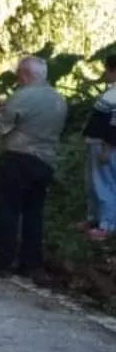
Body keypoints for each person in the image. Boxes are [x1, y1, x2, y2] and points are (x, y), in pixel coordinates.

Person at [0, 56, 68, 282]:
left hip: (19, 158)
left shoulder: (24, 96)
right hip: (46, 161)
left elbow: (2, 126)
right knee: (33, 214)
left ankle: (2, 262)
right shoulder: (59, 100)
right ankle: (31, 264)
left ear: (26, 75)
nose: (18, 80)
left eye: (19, 75)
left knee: (6, 211)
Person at [81, 54, 116, 241]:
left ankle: (107, 224)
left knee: (106, 184)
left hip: (105, 145)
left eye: (108, 69)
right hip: (97, 143)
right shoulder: (111, 92)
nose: (105, 73)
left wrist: (108, 147)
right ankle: (94, 218)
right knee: (93, 183)